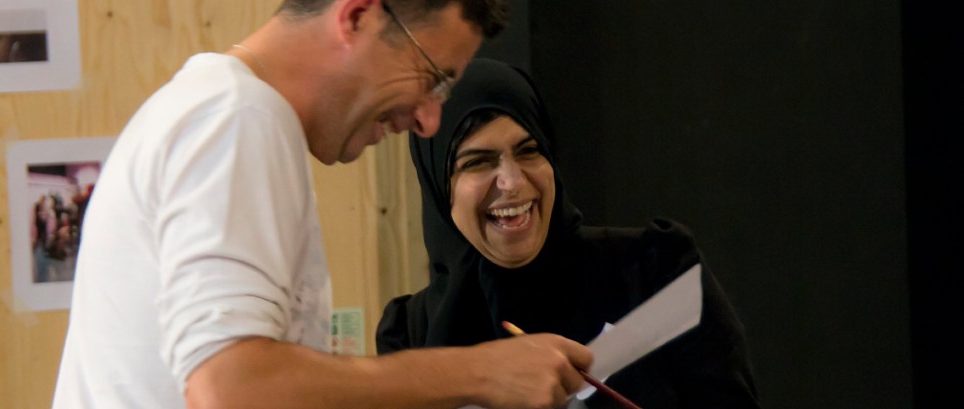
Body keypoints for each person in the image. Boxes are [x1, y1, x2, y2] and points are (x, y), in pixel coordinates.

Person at [52, 1, 595, 409]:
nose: (429, 121)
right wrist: (482, 374)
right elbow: (229, 386)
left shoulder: (223, 109)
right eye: (432, 78)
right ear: (356, 16)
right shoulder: (239, 119)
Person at [376, 58, 762, 408]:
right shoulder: (412, 335)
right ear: (439, 189)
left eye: (529, 151)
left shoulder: (656, 274)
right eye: (478, 162)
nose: (512, 181)